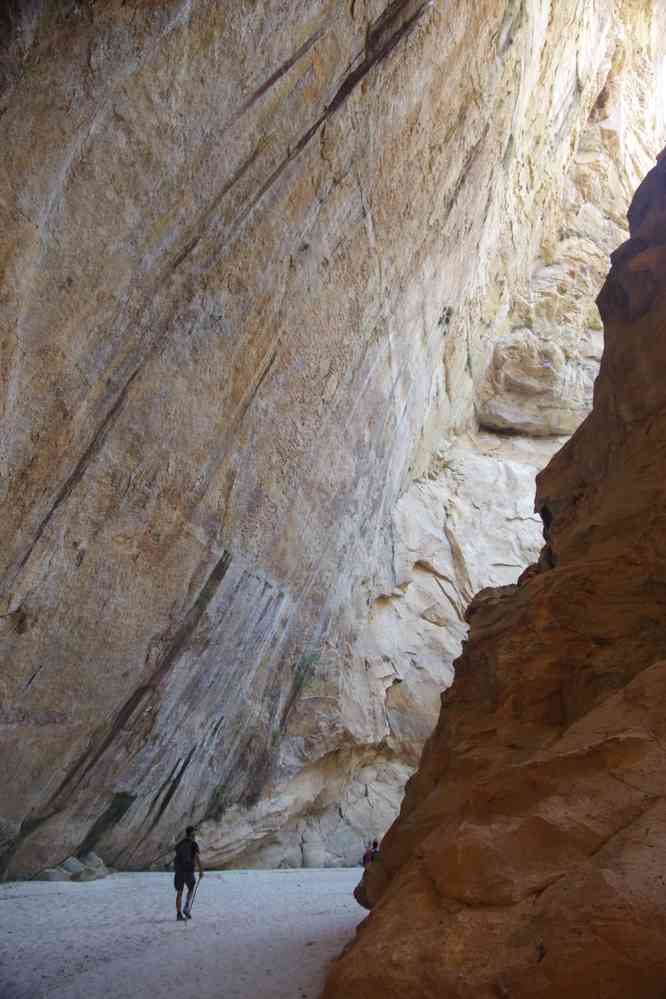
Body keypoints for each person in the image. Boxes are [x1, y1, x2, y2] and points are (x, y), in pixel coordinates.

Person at [174, 825, 203, 922]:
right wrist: (201, 871)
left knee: (179, 893)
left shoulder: (180, 844)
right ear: (192, 833)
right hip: (188, 871)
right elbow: (197, 858)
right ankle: (186, 908)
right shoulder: (193, 844)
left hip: (178, 871)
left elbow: (177, 855)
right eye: (194, 832)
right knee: (191, 887)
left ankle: (178, 915)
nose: (195, 834)